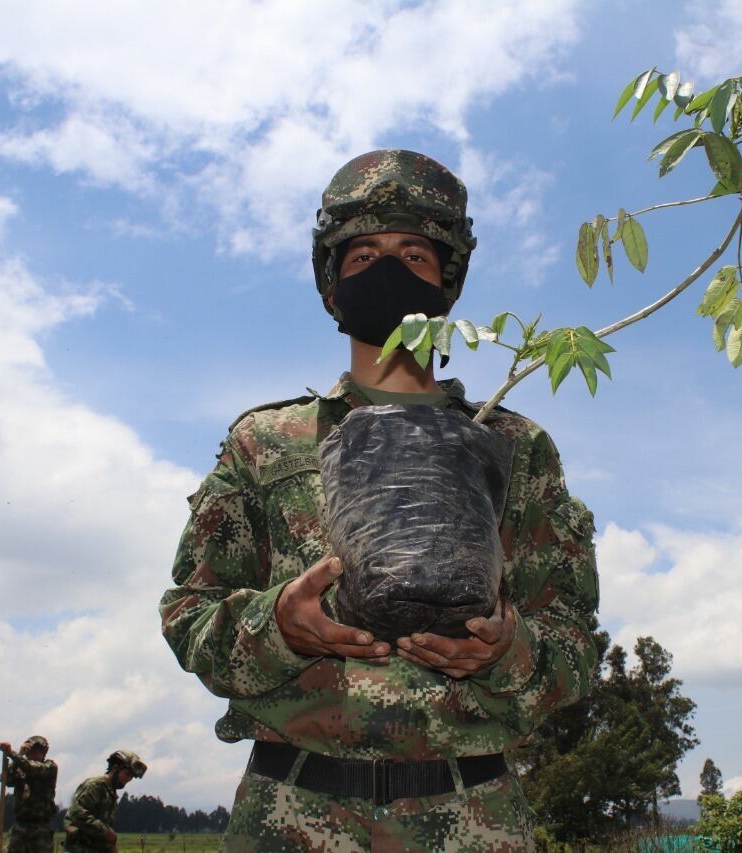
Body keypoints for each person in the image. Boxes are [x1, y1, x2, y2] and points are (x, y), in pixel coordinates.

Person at [160, 149, 600, 851]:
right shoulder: (265, 441)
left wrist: (507, 651)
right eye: (363, 254)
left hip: (474, 817)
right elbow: (189, 616)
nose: (388, 270)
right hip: (292, 816)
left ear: (447, 282)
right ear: (332, 282)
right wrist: (279, 624)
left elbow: (574, 644)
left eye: (414, 255)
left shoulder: (513, 447)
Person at [63, 751, 146, 853]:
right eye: (127, 774)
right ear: (115, 768)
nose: (128, 779)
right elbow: (76, 813)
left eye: (131, 777)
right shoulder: (95, 786)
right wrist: (105, 832)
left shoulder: (110, 792)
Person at [0, 737, 58, 853]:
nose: (34, 754)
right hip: (20, 825)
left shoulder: (50, 767)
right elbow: (5, 779)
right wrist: (18, 755)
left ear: (44, 752)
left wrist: (12, 754)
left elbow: (31, 768)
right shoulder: (20, 767)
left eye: (38, 751)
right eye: (30, 751)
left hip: (41, 827)